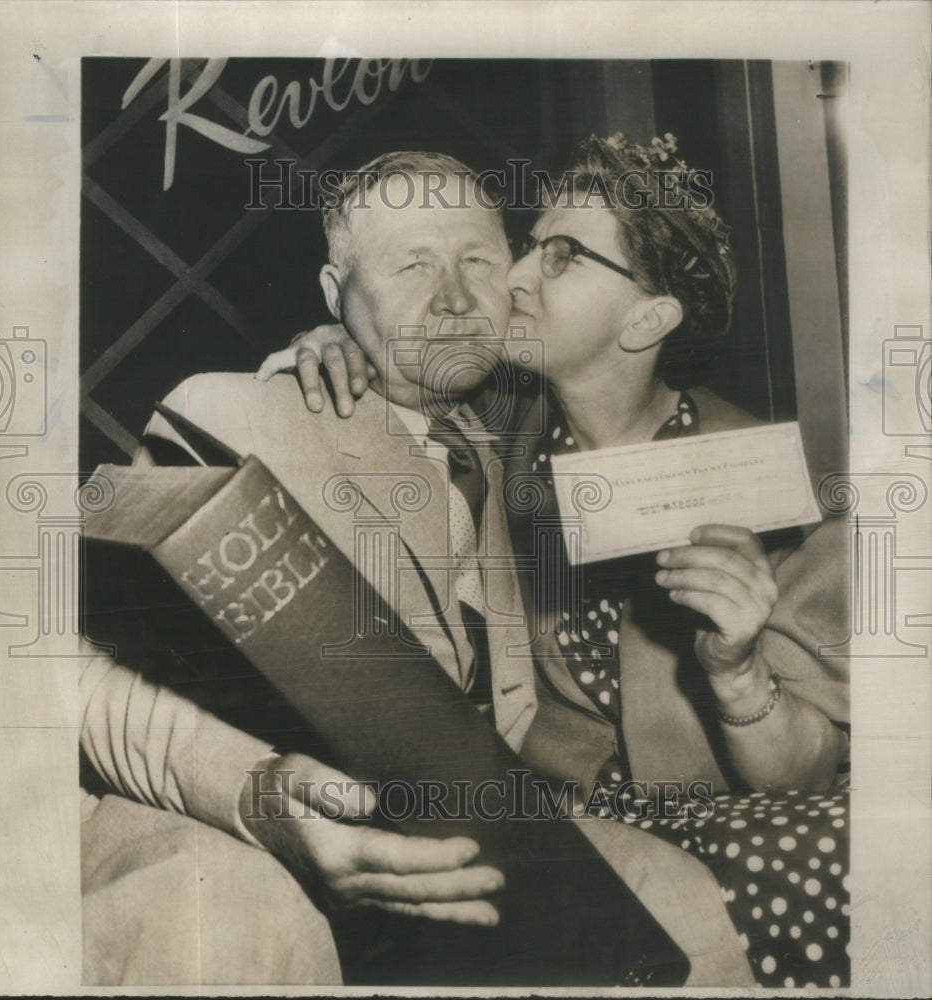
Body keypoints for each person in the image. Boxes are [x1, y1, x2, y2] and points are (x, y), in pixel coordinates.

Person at [80, 151, 753, 986]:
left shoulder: (504, 432)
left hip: (489, 819)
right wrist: (259, 798)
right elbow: (104, 675)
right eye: (411, 266)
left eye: (478, 261)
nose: (456, 298)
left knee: (679, 901)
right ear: (335, 293)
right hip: (288, 829)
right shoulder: (229, 417)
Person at [258, 135, 851, 987]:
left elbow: (804, 775)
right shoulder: (496, 433)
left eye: (563, 256)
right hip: (559, 823)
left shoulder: (777, 491)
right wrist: (329, 338)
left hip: (734, 820)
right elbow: (393, 363)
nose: (516, 276)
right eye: (529, 244)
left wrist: (736, 672)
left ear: (646, 319)